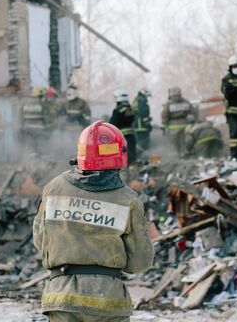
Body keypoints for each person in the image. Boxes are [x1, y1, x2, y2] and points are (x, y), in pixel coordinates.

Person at [33, 120, 154, 322]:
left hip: (60, 297)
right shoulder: (128, 199)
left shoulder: (53, 188)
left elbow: (40, 241)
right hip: (107, 300)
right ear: (120, 155)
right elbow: (140, 262)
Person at [161, 87, 192, 156]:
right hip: (185, 125)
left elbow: (165, 114)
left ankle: (175, 157)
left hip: (172, 126)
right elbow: (192, 111)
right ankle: (185, 154)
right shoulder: (186, 101)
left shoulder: (169, 103)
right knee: (183, 141)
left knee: (174, 143)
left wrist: (164, 124)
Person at [109, 90, 137, 164]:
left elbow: (112, 124)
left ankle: (125, 175)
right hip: (131, 136)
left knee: (123, 159)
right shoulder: (130, 109)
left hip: (122, 137)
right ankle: (134, 174)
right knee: (132, 158)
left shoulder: (118, 110)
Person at [20, 88, 51, 152]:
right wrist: (48, 129)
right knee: (39, 147)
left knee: (30, 146)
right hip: (39, 129)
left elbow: (21, 117)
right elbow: (47, 118)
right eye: (41, 96)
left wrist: (22, 127)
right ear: (39, 96)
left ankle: (30, 157)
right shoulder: (42, 104)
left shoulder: (25, 104)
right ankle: (38, 157)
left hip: (27, 128)